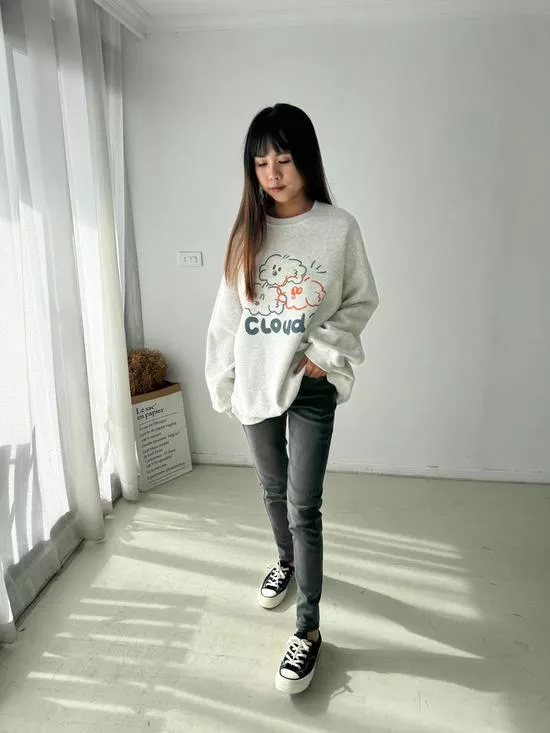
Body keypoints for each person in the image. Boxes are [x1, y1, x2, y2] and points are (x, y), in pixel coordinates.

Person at [205, 103, 378, 694]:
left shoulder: (338, 228)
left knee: (305, 503)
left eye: (283, 159)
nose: (273, 173)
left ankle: (308, 628)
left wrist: (324, 352)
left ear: (305, 159)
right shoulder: (247, 231)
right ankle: (285, 561)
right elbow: (227, 314)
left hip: (310, 384)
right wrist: (222, 377)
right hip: (255, 378)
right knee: (273, 489)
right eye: (260, 163)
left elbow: (360, 299)